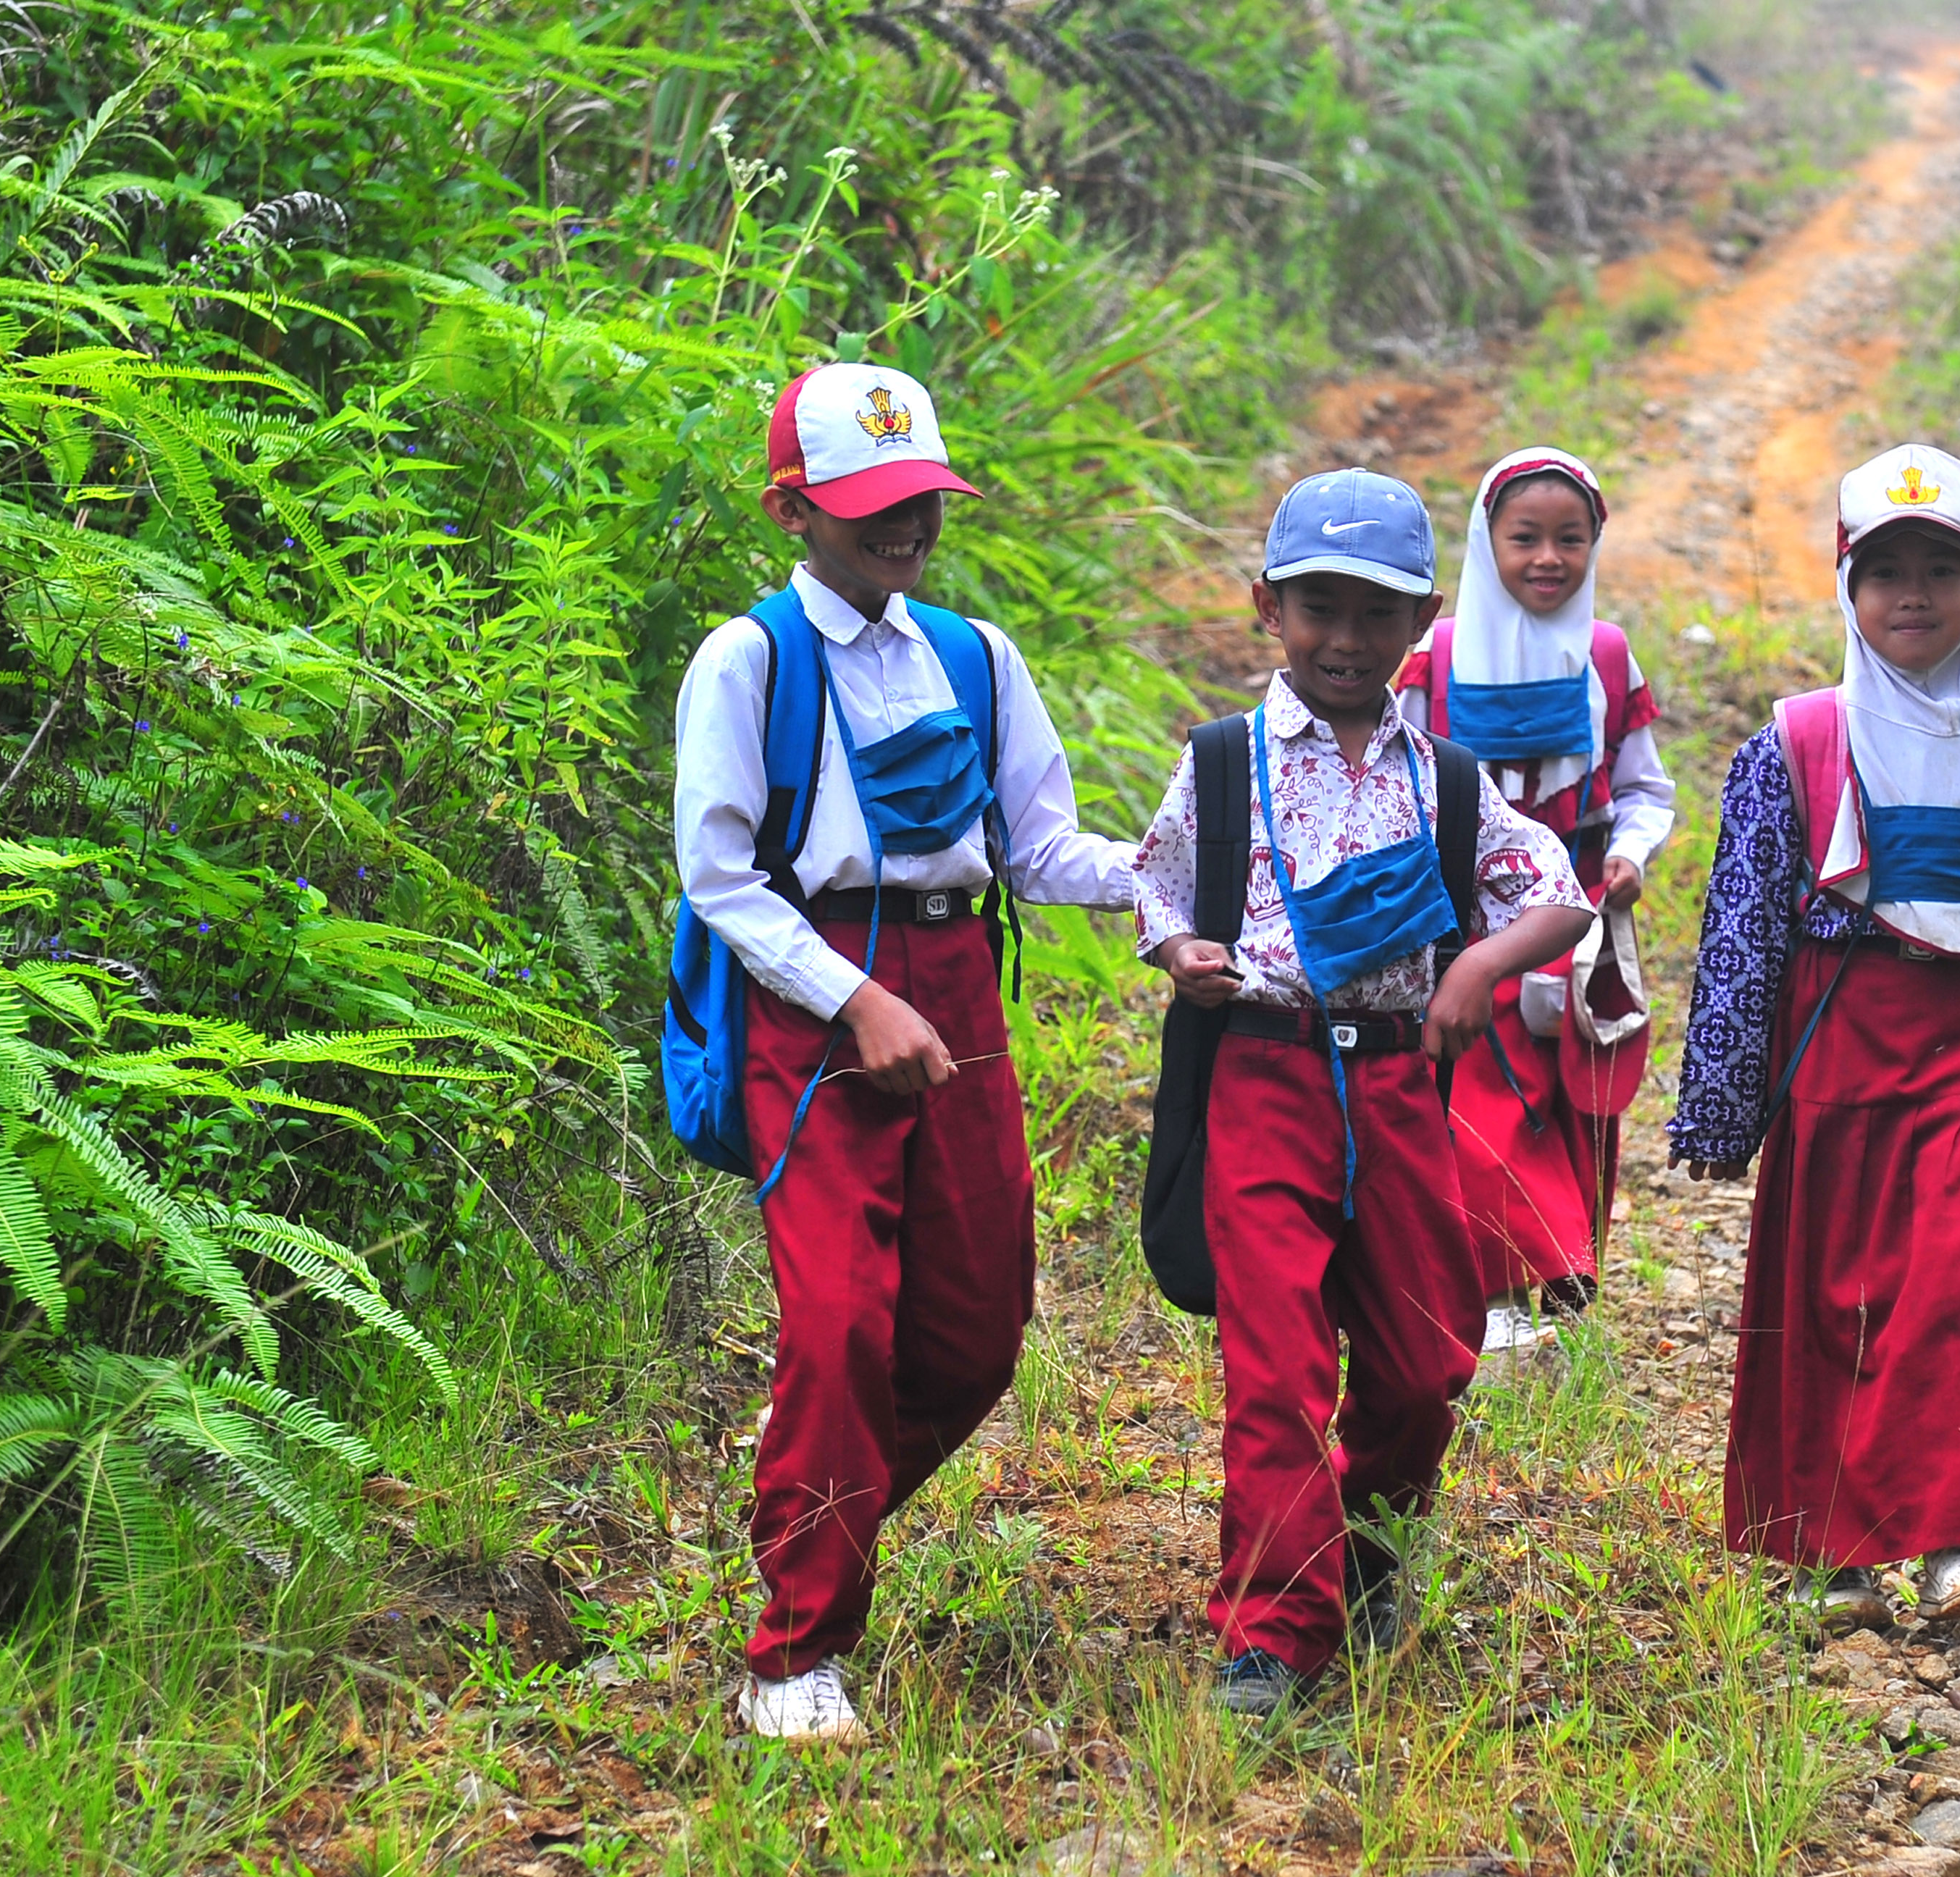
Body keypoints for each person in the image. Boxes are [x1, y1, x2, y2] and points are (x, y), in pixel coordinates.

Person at [673, 364, 1135, 1740]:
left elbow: (1041, 849)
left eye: (923, 501)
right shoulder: (751, 659)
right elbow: (720, 877)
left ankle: (813, 1495)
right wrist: (854, 1000)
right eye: (873, 506)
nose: (907, 530)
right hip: (812, 1007)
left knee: (974, 1332)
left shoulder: (980, 658)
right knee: (834, 1325)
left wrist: (1182, 892)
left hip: (959, 991)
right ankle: (796, 1644)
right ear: (792, 509)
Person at [1131, 470, 1593, 1711]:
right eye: (1319, 608)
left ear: (1424, 621)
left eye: (1377, 614)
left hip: (1393, 1086)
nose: (1346, 640)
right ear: (1267, 608)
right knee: (1276, 1361)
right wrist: (1185, 953)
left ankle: (1367, 1545)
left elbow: (1552, 888)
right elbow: (1159, 889)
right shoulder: (1223, 765)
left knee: (1425, 1358)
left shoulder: (1443, 778)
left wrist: (1482, 972)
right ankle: (1271, 1635)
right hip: (1263, 1079)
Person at [1667, 443, 1960, 1628]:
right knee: (1832, 1297)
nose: (1914, 595)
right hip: (1839, 1055)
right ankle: (1831, 1556)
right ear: (1849, 590)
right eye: (1887, 571)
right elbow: (1742, 928)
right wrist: (1722, 1095)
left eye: (1942, 570)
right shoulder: (1797, 742)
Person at [1395, 448, 1675, 1345]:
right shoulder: (1434, 658)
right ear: (1486, 541)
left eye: (1570, 538)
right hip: (1462, 926)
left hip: (1574, 925)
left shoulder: (1605, 656)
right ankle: (1505, 1278)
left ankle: (1555, 1271)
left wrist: (1628, 853)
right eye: (1524, 538)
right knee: (1479, 1094)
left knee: (1570, 1093)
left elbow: (1642, 788)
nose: (1548, 558)